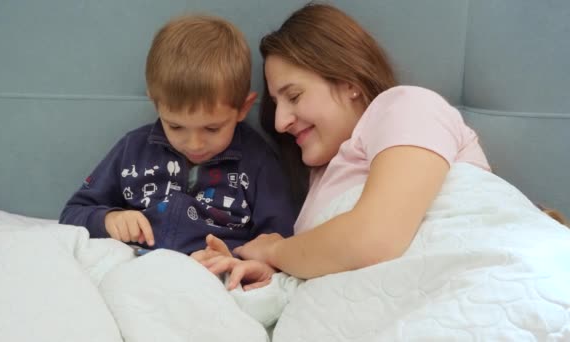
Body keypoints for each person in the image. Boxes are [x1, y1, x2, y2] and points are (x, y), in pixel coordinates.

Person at [195, 2, 568, 291]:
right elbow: (328, 273)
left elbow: (374, 238)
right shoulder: (321, 185)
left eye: (293, 96)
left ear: (348, 81)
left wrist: (276, 251)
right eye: (276, 105)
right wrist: (273, 272)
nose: (280, 122)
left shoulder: (405, 106)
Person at [59, 14, 295, 255]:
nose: (195, 144)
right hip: (138, 266)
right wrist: (109, 219)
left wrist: (236, 257)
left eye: (212, 128)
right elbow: (73, 213)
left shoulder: (257, 161)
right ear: (156, 103)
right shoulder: (133, 149)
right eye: (175, 126)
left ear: (243, 109)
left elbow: (280, 240)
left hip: (213, 275)